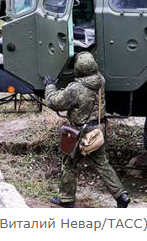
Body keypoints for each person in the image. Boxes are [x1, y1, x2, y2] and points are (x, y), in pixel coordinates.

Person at [44, 52, 130, 208]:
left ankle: (67, 199)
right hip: (97, 131)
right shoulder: (101, 81)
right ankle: (121, 196)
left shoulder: (76, 89)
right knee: (103, 164)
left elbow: (54, 102)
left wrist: (50, 86)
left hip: (78, 133)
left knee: (69, 164)